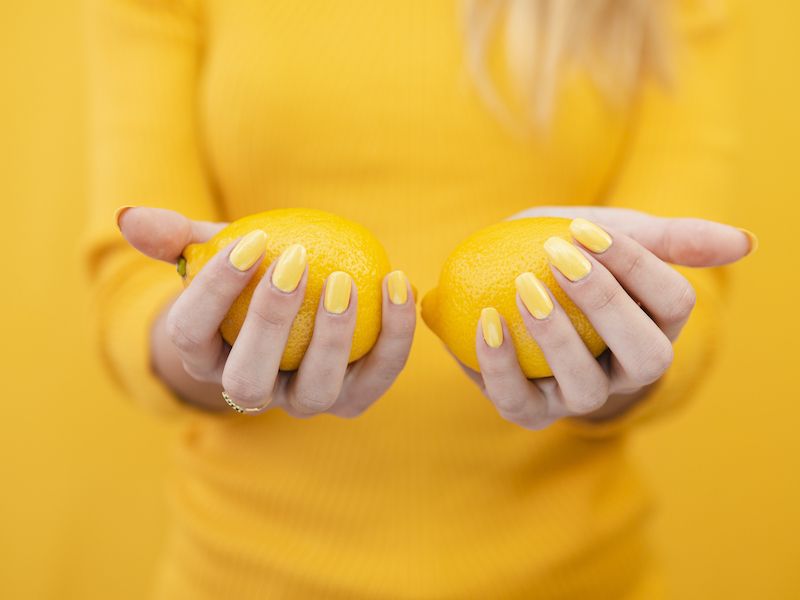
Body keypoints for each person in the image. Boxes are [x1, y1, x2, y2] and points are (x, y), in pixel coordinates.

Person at [84, 0, 753, 597]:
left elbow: (684, 299)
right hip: (243, 575)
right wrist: (214, 354)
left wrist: (615, 371)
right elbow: (135, 287)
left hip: (576, 579)